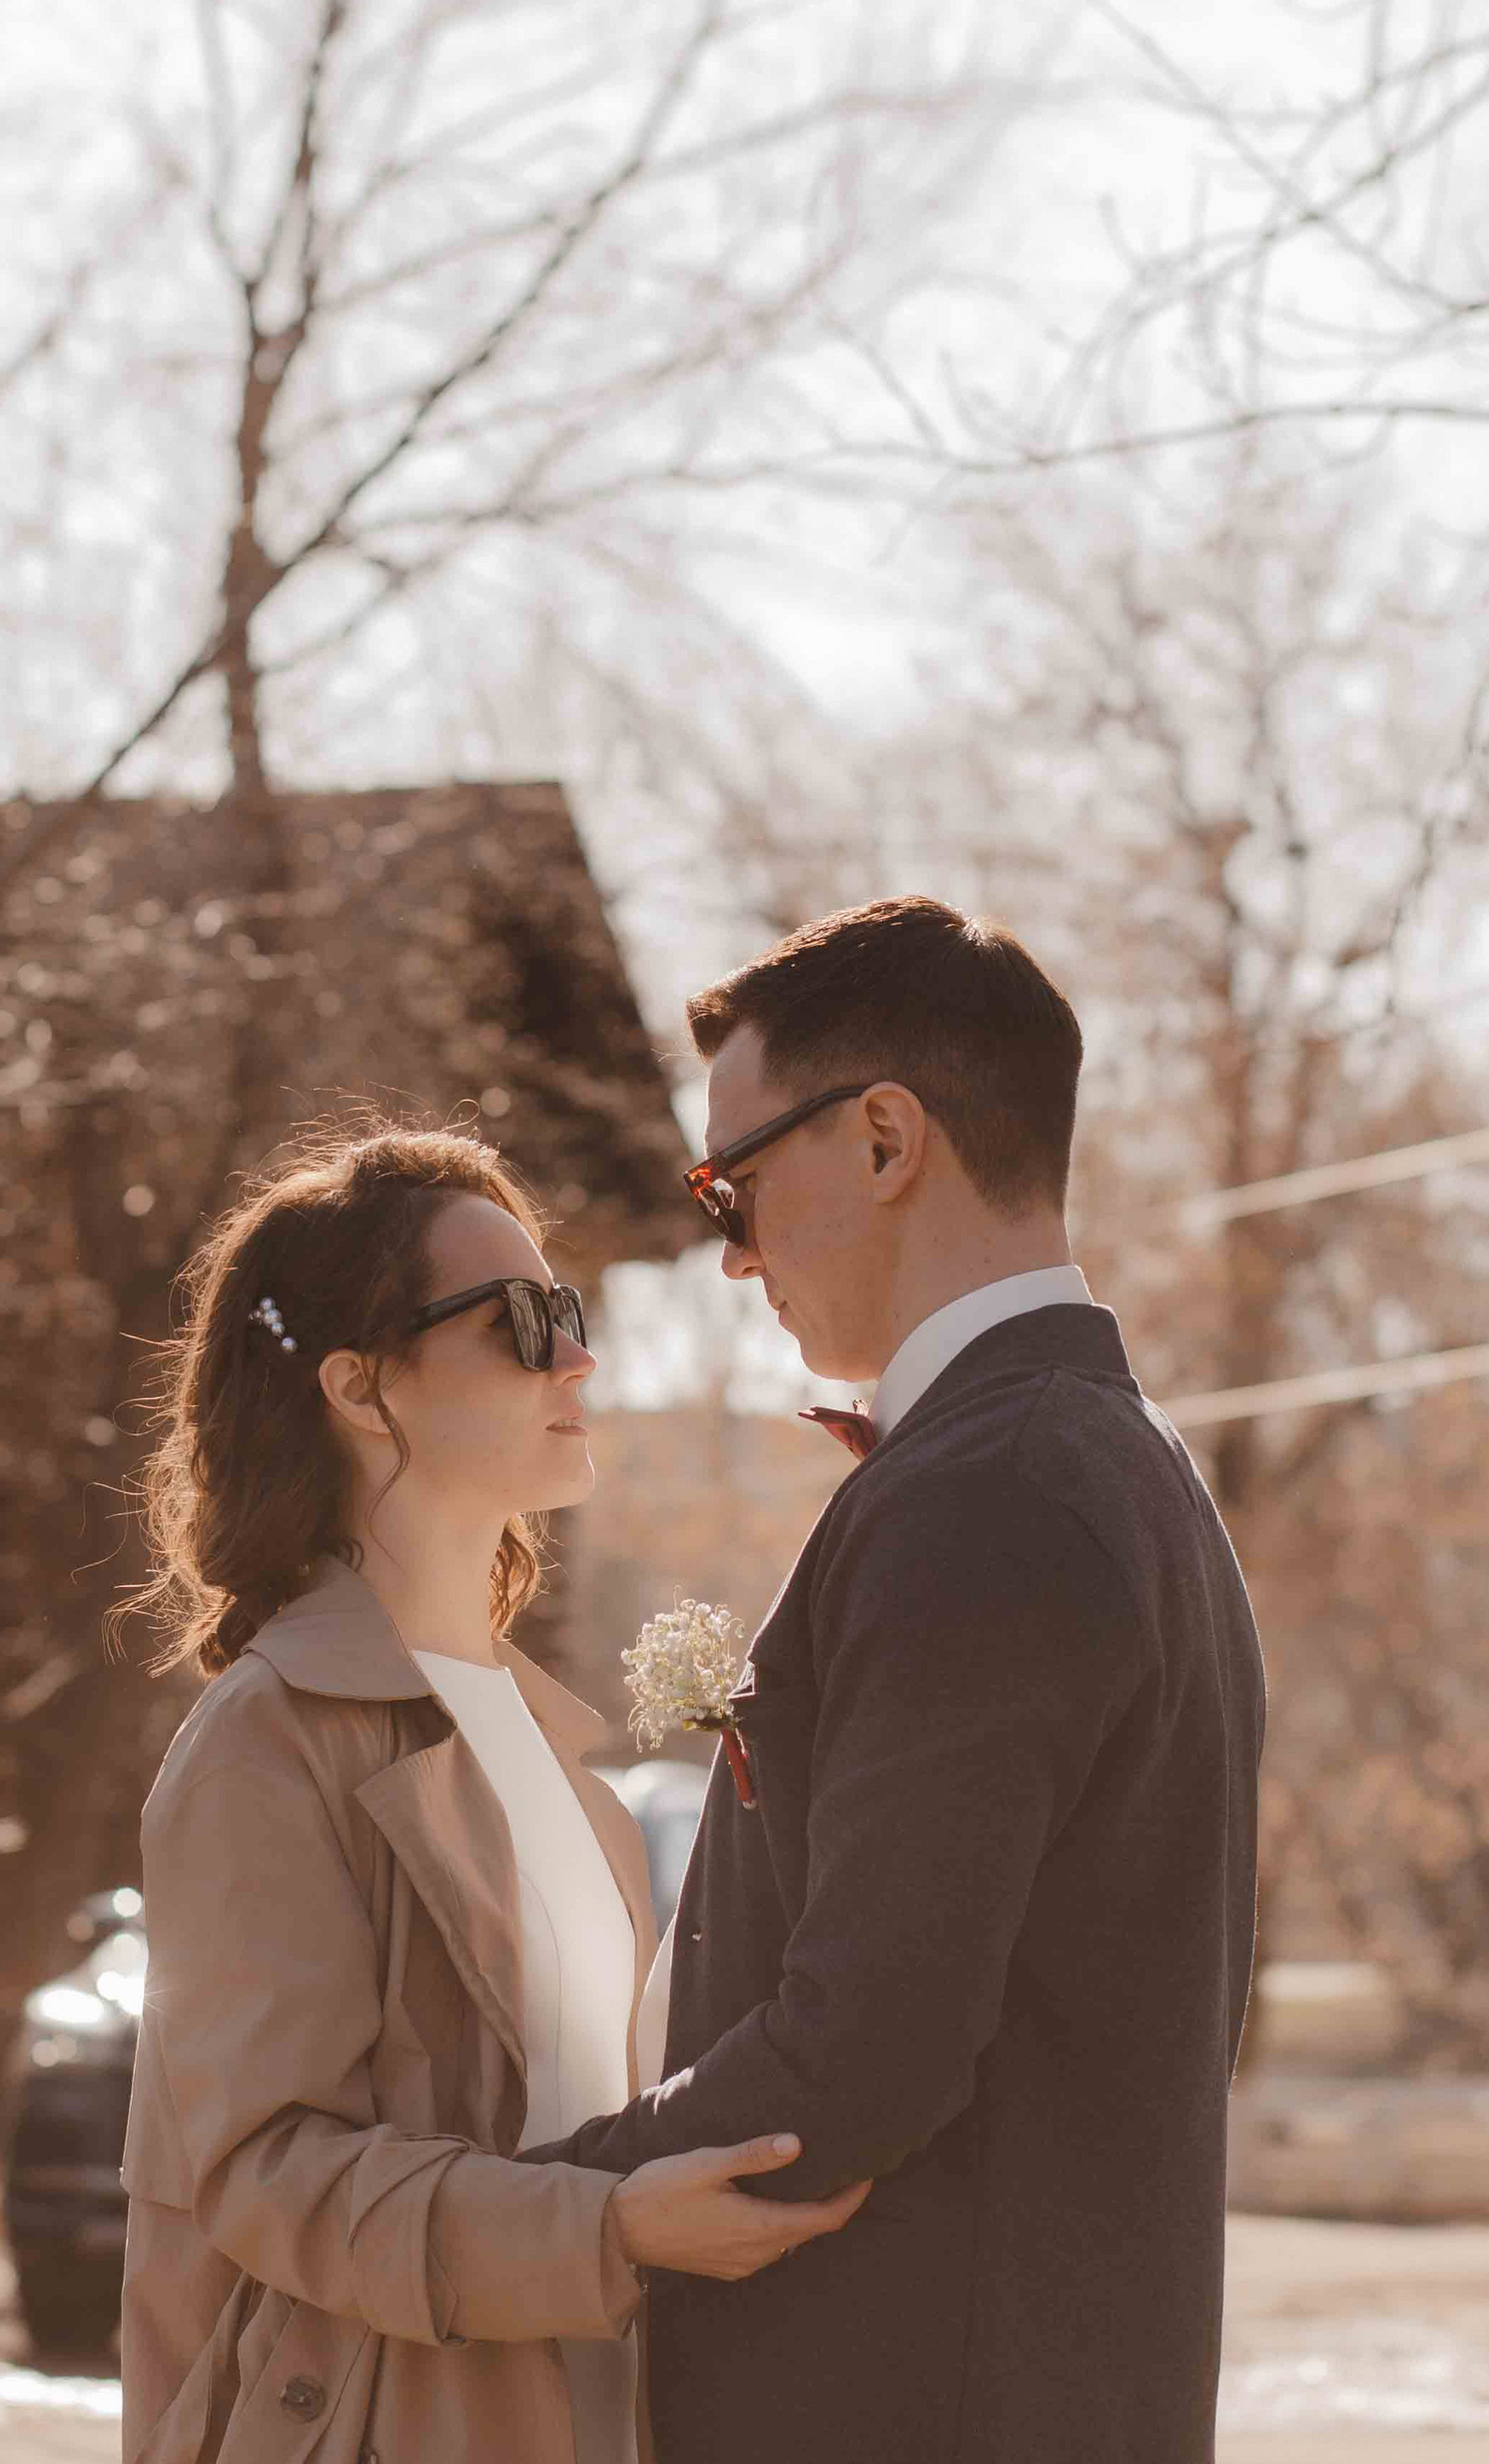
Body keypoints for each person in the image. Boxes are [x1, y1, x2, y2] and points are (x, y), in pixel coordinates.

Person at [526, 897, 1268, 2463]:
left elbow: (862, 2052)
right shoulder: (1108, 1458)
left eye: (733, 1184)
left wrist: (511, 2212)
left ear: (883, 1142)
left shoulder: (993, 1489)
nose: (732, 1256)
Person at [116, 1125, 865, 2464]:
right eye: (521, 1323)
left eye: (568, 1313)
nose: (578, 1359)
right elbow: (267, 2175)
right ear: (361, 1389)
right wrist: (611, 2230)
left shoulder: (551, 1750)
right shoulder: (267, 1743)